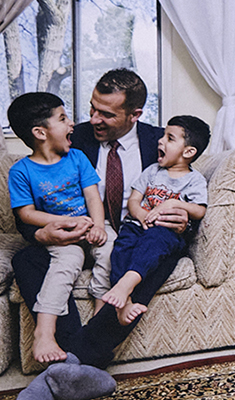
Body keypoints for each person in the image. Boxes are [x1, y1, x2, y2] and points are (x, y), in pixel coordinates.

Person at [11, 69, 179, 369]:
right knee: (25, 260)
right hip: (76, 234)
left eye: (106, 114)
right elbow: (27, 211)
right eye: (92, 108)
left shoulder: (160, 143)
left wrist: (182, 216)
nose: (94, 119)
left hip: (133, 234)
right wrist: (43, 235)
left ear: (134, 114)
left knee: (153, 254)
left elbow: (186, 185)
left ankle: (77, 358)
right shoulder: (73, 139)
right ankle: (70, 346)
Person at [4, 93, 115, 365]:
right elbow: (26, 213)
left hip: (90, 226)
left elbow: (93, 198)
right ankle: (45, 331)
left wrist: (99, 226)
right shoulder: (21, 171)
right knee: (69, 260)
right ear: (40, 132)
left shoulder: (77, 157)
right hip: (60, 235)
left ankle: (101, 313)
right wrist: (61, 224)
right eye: (63, 118)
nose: (72, 124)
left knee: (111, 246)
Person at [98, 115, 210, 326]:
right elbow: (134, 200)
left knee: (153, 243)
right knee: (121, 249)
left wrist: (173, 205)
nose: (160, 141)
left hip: (165, 233)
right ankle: (125, 303)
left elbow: (199, 210)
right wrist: (140, 215)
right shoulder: (151, 171)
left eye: (170, 138)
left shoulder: (194, 180)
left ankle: (128, 282)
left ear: (188, 152)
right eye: (163, 135)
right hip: (136, 226)